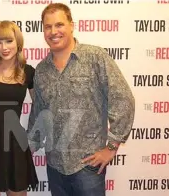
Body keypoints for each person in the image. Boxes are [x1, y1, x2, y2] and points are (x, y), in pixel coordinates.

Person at [27, 3, 135, 196]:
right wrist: (27, 149)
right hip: (55, 167)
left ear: (71, 25)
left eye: (59, 25)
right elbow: (38, 114)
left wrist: (111, 147)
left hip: (87, 167)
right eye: (48, 26)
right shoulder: (41, 70)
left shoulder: (95, 57)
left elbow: (123, 99)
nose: (53, 31)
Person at [0, 20, 38, 196]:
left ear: (18, 42)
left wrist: (32, 135)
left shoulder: (28, 72)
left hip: (15, 144)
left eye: (9, 41)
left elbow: (40, 106)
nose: (4, 47)